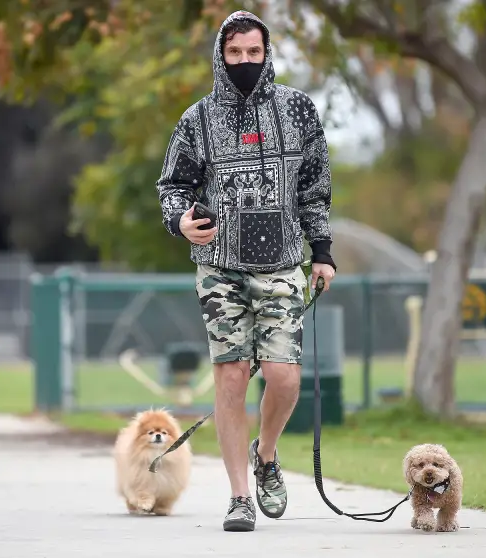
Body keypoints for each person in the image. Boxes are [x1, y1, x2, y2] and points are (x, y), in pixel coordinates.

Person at [155, 10, 336, 532]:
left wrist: (321, 252)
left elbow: (315, 188)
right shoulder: (196, 119)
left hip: (282, 263)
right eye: (234, 53)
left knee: (283, 377)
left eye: (253, 52)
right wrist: (181, 221)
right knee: (231, 376)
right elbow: (173, 188)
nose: (244, 62)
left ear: (267, 52)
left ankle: (267, 455)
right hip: (220, 269)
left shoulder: (299, 110)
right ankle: (239, 497)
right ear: (220, 55)